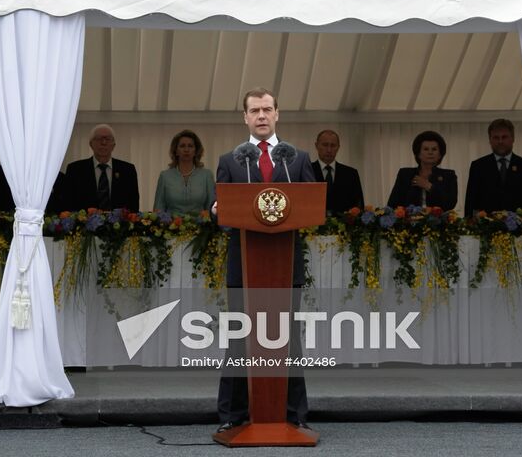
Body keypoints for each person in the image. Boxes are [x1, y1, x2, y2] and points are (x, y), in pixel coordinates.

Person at [215, 86, 315, 433]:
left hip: (285, 267)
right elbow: (221, 209)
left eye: (267, 110)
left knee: (289, 338)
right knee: (240, 338)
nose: (261, 116)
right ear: (245, 117)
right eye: (254, 110)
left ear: (277, 114)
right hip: (245, 266)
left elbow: (313, 207)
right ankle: (233, 413)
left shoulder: (298, 160)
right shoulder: (231, 160)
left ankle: (293, 413)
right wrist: (217, 209)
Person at [464, 118, 522, 216]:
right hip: (485, 228)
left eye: (504, 137)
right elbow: (470, 203)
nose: (500, 141)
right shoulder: (478, 166)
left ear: (513, 138)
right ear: (490, 140)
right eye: (496, 137)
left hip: (518, 228)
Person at [65, 124, 139, 212]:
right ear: (91, 144)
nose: (103, 143)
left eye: (107, 139)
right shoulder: (75, 170)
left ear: (113, 145)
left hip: (120, 224)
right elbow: (68, 204)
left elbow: (133, 206)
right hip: (84, 224)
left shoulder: (128, 170)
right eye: (99, 139)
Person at [387, 130, 457, 210]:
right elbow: (392, 204)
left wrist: (429, 187)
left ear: (440, 155)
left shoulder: (449, 175)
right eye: (426, 149)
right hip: (408, 221)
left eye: (434, 149)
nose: (430, 152)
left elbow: (450, 203)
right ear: (418, 154)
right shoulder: (405, 174)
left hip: (439, 221)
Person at [153, 129, 214, 215]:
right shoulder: (165, 176)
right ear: (176, 151)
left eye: (190, 146)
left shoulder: (206, 175)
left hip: (200, 226)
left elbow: (212, 209)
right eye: (182, 146)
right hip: (171, 226)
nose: (186, 149)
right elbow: (158, 209)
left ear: (196, 151)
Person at [310, 129, 364, 214]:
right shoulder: (307, 171)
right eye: (325, 145)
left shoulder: (350, 174)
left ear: (338, 147)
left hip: (345, 225)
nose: (329, 150)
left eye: (333, 145)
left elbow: (358, 206)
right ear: (316, 146)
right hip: (313, 224)